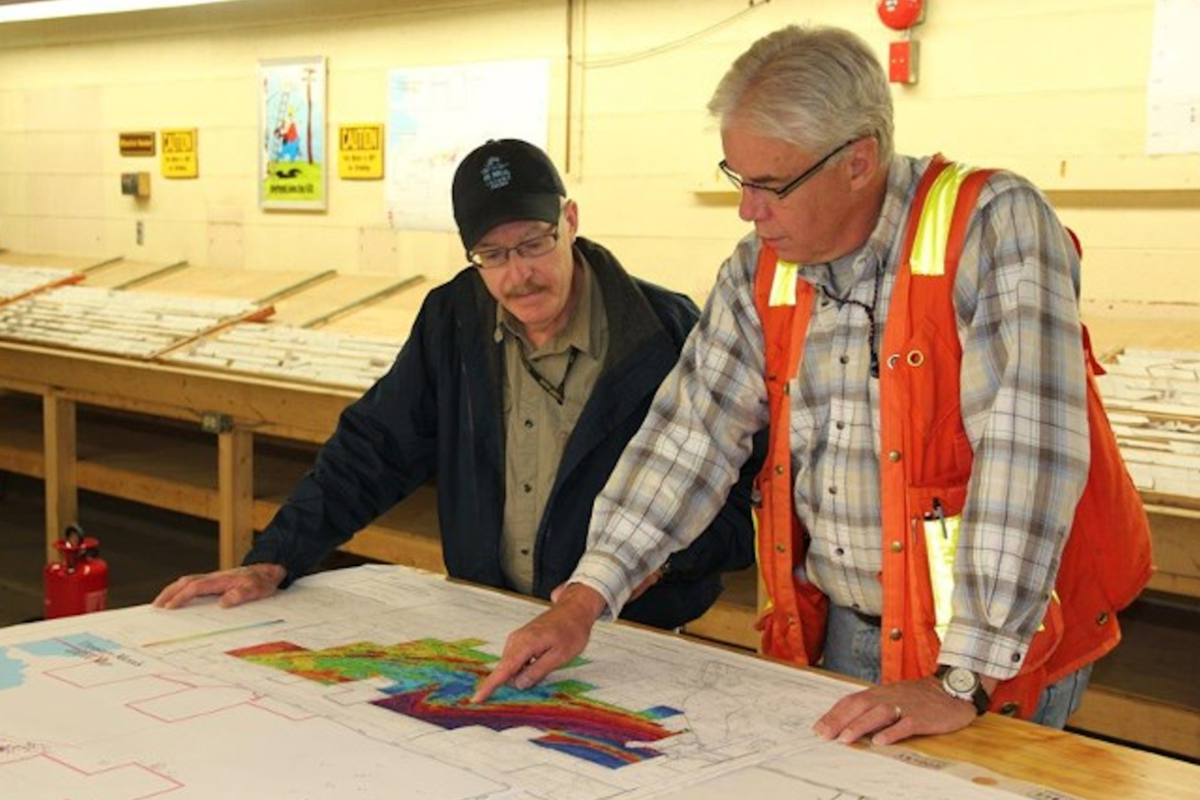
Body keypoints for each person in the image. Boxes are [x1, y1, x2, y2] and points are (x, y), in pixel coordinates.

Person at [473, 26, 1150, 747]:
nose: (748, 209)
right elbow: (688, 438)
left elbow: (1028, 456)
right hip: (849, 625)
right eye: (737, 179)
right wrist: (586, 597)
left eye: (770, 185)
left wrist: (961, 678)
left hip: (996, 647)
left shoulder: (990, 226)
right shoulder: (760, 267)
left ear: (858, 161)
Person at [154, 138, 759, 630]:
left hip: (632, 635)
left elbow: (738, 500)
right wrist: (275, 559)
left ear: (570, 220)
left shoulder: (662, 332)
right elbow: (373, 451)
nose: (519, 275)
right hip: (487, 622)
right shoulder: (453, 320)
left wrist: (661, 560)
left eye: (534, 244)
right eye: (492, 255)